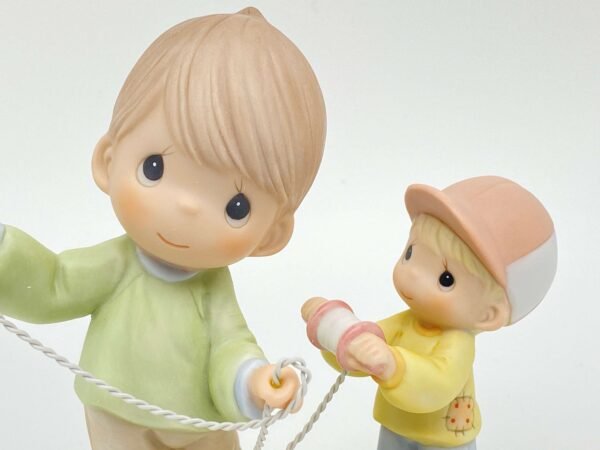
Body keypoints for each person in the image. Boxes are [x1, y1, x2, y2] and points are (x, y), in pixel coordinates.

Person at [0, 7, 326, 450]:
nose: (186, 207)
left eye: (235, 206)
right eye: (154, 168)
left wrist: (254, 383)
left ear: (271, 235)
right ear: (108, 161)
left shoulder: (211, 290)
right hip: (114, 414)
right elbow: (55, 283)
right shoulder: (114, 264)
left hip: (199, 426)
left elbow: (230, 346)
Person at [302, 176, 557, 449]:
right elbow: (362, 347)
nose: (412, 275)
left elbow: (439, 384)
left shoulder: (456, 343)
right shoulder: (404, 323)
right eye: (410, 253)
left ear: (488, 314)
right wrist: (333, 330)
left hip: (444, 440)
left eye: (446, 279)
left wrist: (394, 366)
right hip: (395, 427)